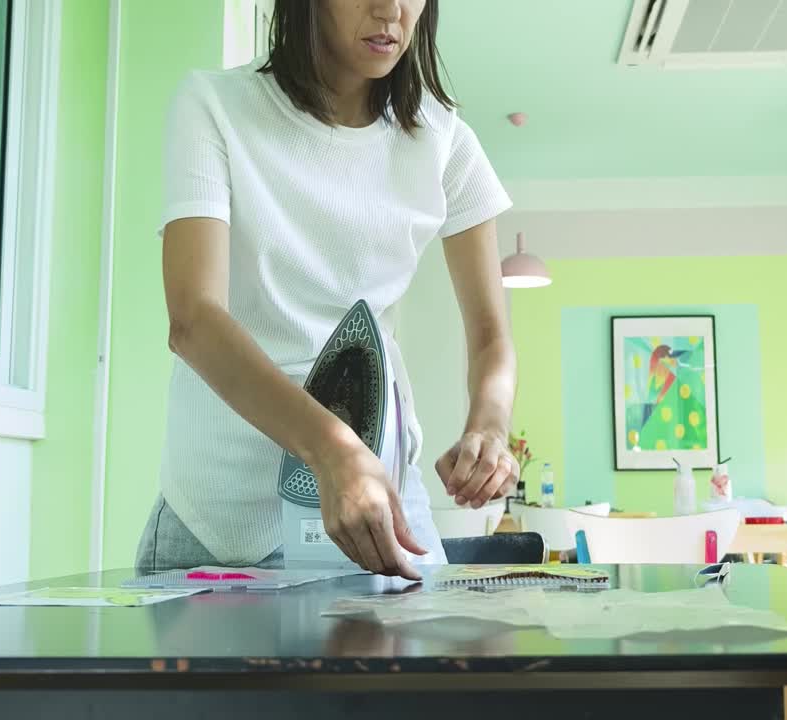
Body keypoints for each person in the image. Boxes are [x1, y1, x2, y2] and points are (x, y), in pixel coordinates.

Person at [135, 0, 518, 581]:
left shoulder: (444, 141)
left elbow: (491, 336)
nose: (391, 10)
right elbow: (194, 319)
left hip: (383, 496)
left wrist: (488, 427)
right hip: (225, 518)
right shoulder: (213, 106)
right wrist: (334, 450)